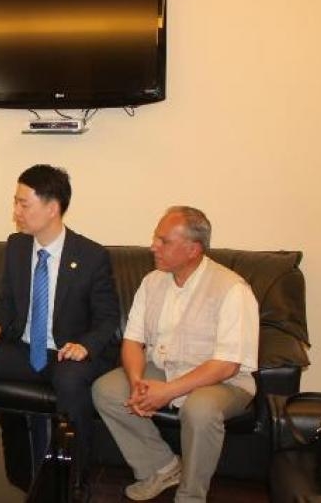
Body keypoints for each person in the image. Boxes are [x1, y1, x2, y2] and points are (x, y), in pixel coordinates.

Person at [91, 206, 259, 502]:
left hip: (222, 381)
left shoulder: (232, 289)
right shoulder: (152, 281)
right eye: (156, 238)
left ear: (193, 249)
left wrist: (167, 392)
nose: (153, 246)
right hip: (164, 367)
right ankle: (162, 468)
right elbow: (132, 341)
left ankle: (191, 495)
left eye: (164, 241)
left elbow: (227, 365)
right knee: (107, 390)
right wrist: (136, 382)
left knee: (200, 410)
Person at [0, 164, 121, 461]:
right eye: (15, 203)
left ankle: (75, 471)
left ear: (52, 208)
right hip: (26, 349)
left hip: (66, 352)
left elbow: (108, 317)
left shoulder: (91, 256)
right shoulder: (17, 246)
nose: (16, 212)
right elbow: (7, 298)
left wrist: (85, 346)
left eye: (24, 204)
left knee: (70, 381)